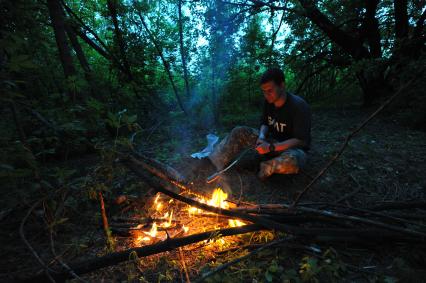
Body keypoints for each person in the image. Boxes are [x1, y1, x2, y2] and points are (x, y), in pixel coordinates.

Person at [208, 67, 311, 180]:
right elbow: (265, 122)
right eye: (264, 91)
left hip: (291, 149)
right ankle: (214, 161)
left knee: (293, 161)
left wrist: (271, 147)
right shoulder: (269, 102)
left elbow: (300, 140)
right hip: (270, 142)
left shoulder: (299, 106)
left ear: (282, 85)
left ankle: (266, 167)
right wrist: (261, 136)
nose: (266, 95)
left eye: (270, 90)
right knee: (239, 131)